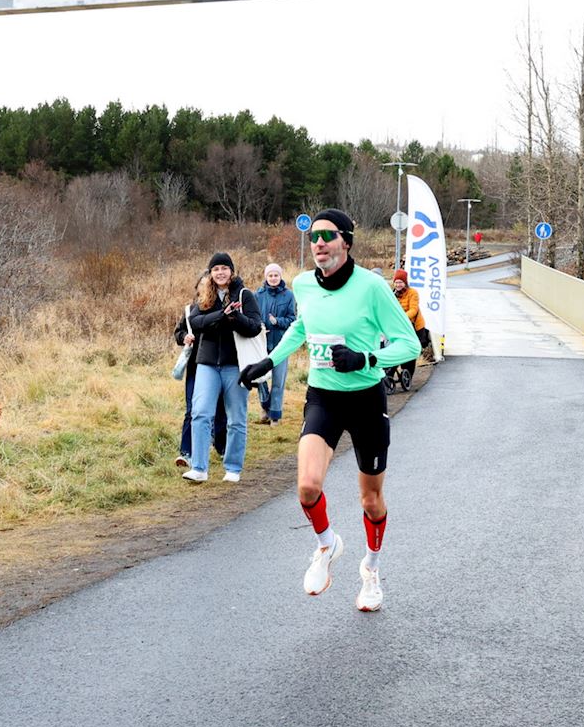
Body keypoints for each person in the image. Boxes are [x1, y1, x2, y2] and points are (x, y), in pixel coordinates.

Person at [238, 210, 420, 612]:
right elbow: (304, 327)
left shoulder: (372, 288)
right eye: (314, 236)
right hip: (323, 397)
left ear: (346, 242)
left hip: (366, 399)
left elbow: (410, 345)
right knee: (307, 486)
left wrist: (367, 358)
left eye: (327, 235)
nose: (318, 243)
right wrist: (269, 361)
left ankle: (371, 569)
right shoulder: (303, 284)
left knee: (371, 500)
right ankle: (326, 544)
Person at [183, 252, 262, 483]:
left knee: (236, 418)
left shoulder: (245, 295)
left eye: (224, 268)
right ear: (211, 273)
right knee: (200, 414)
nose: (220, 273)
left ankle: (233, 468)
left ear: (231, 271)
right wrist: (221, 315)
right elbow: (196, 323)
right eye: (215, 269)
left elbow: (255, 327)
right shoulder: (204, 295)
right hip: (207, 363)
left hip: (235, 365)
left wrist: (235, 317)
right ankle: (199, 468)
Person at [172, 282, 227, 468]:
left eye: (208, 286)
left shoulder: (221, 309)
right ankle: (186, 453)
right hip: (195, 367)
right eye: (202, 287)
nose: (206, 290)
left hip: (215, 366)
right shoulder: (190, 311)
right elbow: (178, 332)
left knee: (219, 409)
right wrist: (183, 337)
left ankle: (221, 446)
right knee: (191, 409)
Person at [255, 262, 297, 425]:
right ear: (266, 277)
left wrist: (277, 321)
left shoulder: (289, 295)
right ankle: (265, 406)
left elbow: (293, 319)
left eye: (276, 275)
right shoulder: (258, 295)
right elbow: (252, 315)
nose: (273, 278)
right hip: (261, 344)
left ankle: (275, 416)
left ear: (280, 277)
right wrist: (259, 326)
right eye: (270, 275)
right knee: (260, 379)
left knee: (278, 382)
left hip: (281, 344)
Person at [390, 268, 433, 383]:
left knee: (411, 350)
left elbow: (413, 309)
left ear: (405, 283)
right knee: (397, 348)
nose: (398, 285)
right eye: (396, 282)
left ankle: (408, 374)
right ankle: (390, 373)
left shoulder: (412, 293)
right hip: (400, 327)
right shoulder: (392, 294)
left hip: (414, 326)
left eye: (400, 282)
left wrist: (401, 318)